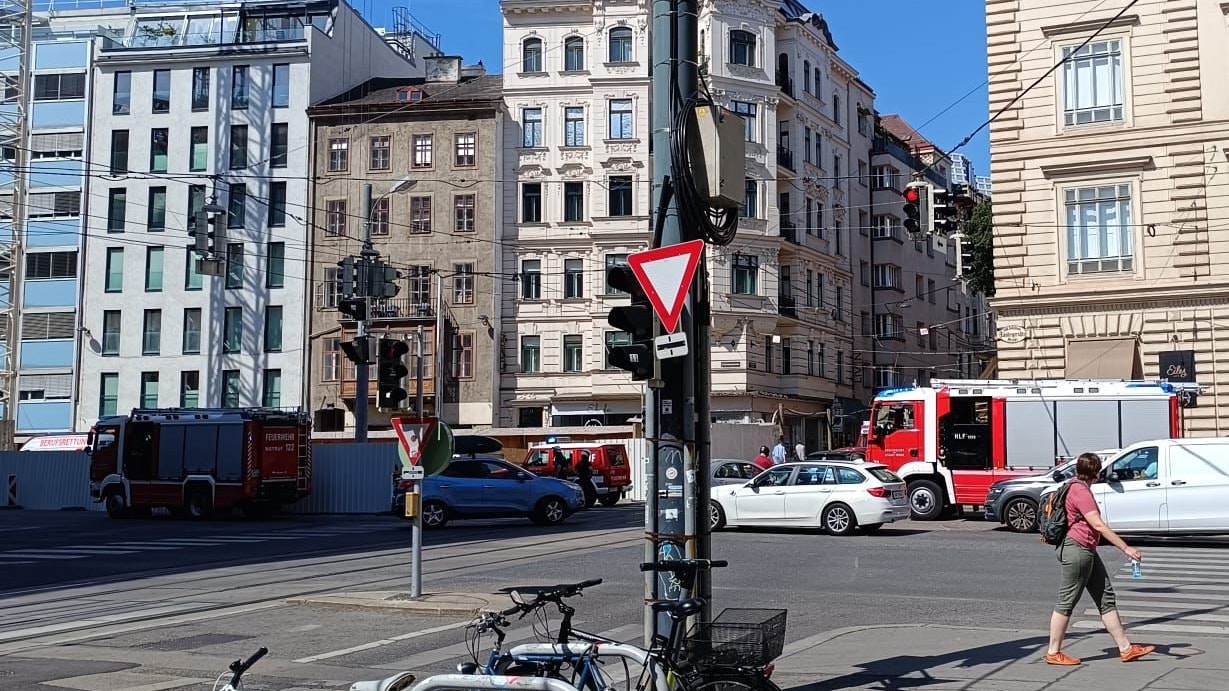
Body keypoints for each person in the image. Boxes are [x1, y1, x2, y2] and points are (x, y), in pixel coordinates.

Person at [1045, 452, 1154, 666]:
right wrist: (1126, 548)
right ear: (1096, 472)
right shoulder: (1081, 492)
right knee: (1066, 602)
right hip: (1077, 551)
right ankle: (1053, 651)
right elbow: (1098, 525)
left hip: (1085, 550)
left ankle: (1125, 648)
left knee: (1105, 598)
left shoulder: (1074, 485)